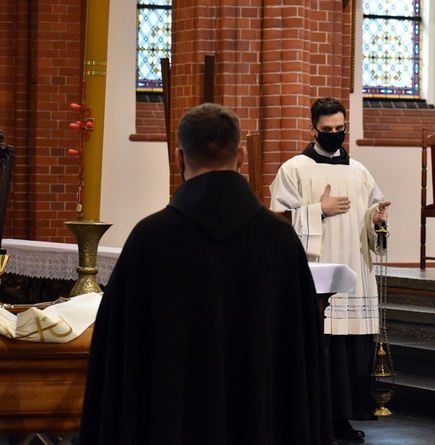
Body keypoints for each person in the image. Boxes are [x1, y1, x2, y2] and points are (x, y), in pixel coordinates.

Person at [79, 103, 333, 445]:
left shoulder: (150, 238)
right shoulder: (279, 240)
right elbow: (301, 359)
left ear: (179, 158)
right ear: (241, 156)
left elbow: (117, 359)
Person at [269, 97, 390, 442]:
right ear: (313, 129)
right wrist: (316, 210)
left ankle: (343, 419)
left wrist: (376, 220)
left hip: (354, 276)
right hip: (315, 279)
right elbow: (277, 223)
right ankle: (309, 418)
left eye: (340, 129)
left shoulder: (360, 172)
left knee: (350, 353)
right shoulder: (294, 169)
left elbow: (370, 223)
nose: (335, 135)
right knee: (319, 350)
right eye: (327, 130)